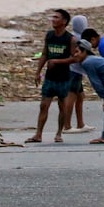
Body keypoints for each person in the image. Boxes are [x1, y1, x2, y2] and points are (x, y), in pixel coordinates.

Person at [27, 9, 75, 144]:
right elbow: (44, 54)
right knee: (44, 105)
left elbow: (74, 59)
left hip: (63, 77)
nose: (53, 19)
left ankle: (59, 133)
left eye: (56, 17)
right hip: (49, 77)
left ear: (64, 21)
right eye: (53, 17)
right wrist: (38, 72)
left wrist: (57, 61)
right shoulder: (49, 36)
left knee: (62, 106)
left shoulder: (70, 39)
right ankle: (38, 134)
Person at [64, 14, 92, 133]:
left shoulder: (73, 36)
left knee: (80, 97)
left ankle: (81, 123)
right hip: (74, 71)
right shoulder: (79, 39)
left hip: (77, 71)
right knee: (71, 97)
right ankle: (67, 125)